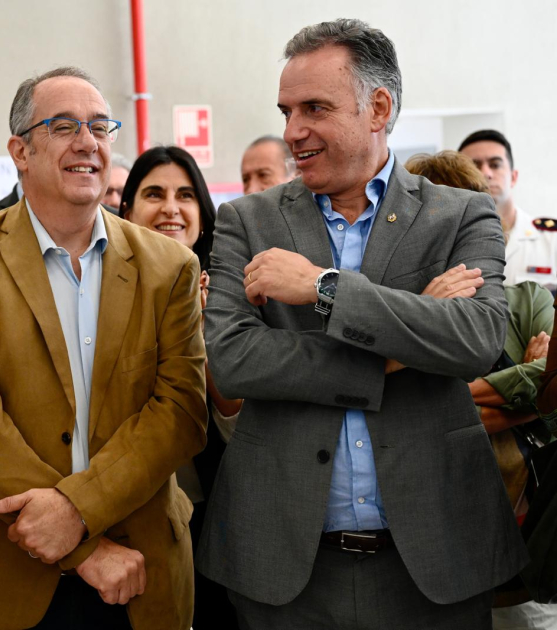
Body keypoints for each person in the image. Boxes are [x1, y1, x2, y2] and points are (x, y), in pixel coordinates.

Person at [196, 19, 526, 629]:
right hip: (285, 569)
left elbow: (476, 339)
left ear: (378, 107)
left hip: (435, 564)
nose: (293, 131)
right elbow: (235, 361)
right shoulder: (246, 221)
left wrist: (323, 290)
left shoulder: (460, 213)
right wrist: (400, 349)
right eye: (286, 110)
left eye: (315, 108)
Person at [0, 66, 207, 630]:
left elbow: (179, 415)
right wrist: (84, 549)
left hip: (140, 575)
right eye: (65, 125)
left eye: (101, 126)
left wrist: (76, 511)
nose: (88, 142)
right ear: (20, 151)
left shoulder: (170, 267)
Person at [406, 150, 557, 629]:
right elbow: (399, 415)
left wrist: (453, 393)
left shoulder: (526, 298)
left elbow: (550, 390)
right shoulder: (399, 314)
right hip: (425, 557)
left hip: (527, 551)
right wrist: (524, 398)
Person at [118, 144, 239, 630]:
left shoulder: (235, 296)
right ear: (125, 212)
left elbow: (235, 422)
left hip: (215, 513)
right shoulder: (98, 291)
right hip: (124, 515)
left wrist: (204, 326)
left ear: (202, 216)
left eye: (185, 194)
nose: (171, 207)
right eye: (154, 193)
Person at [459, 129, 557, 290]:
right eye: (474, 166)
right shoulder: (447, 241)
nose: (485, 173)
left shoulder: (551, 240)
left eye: (495, 164)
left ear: (513, 177)